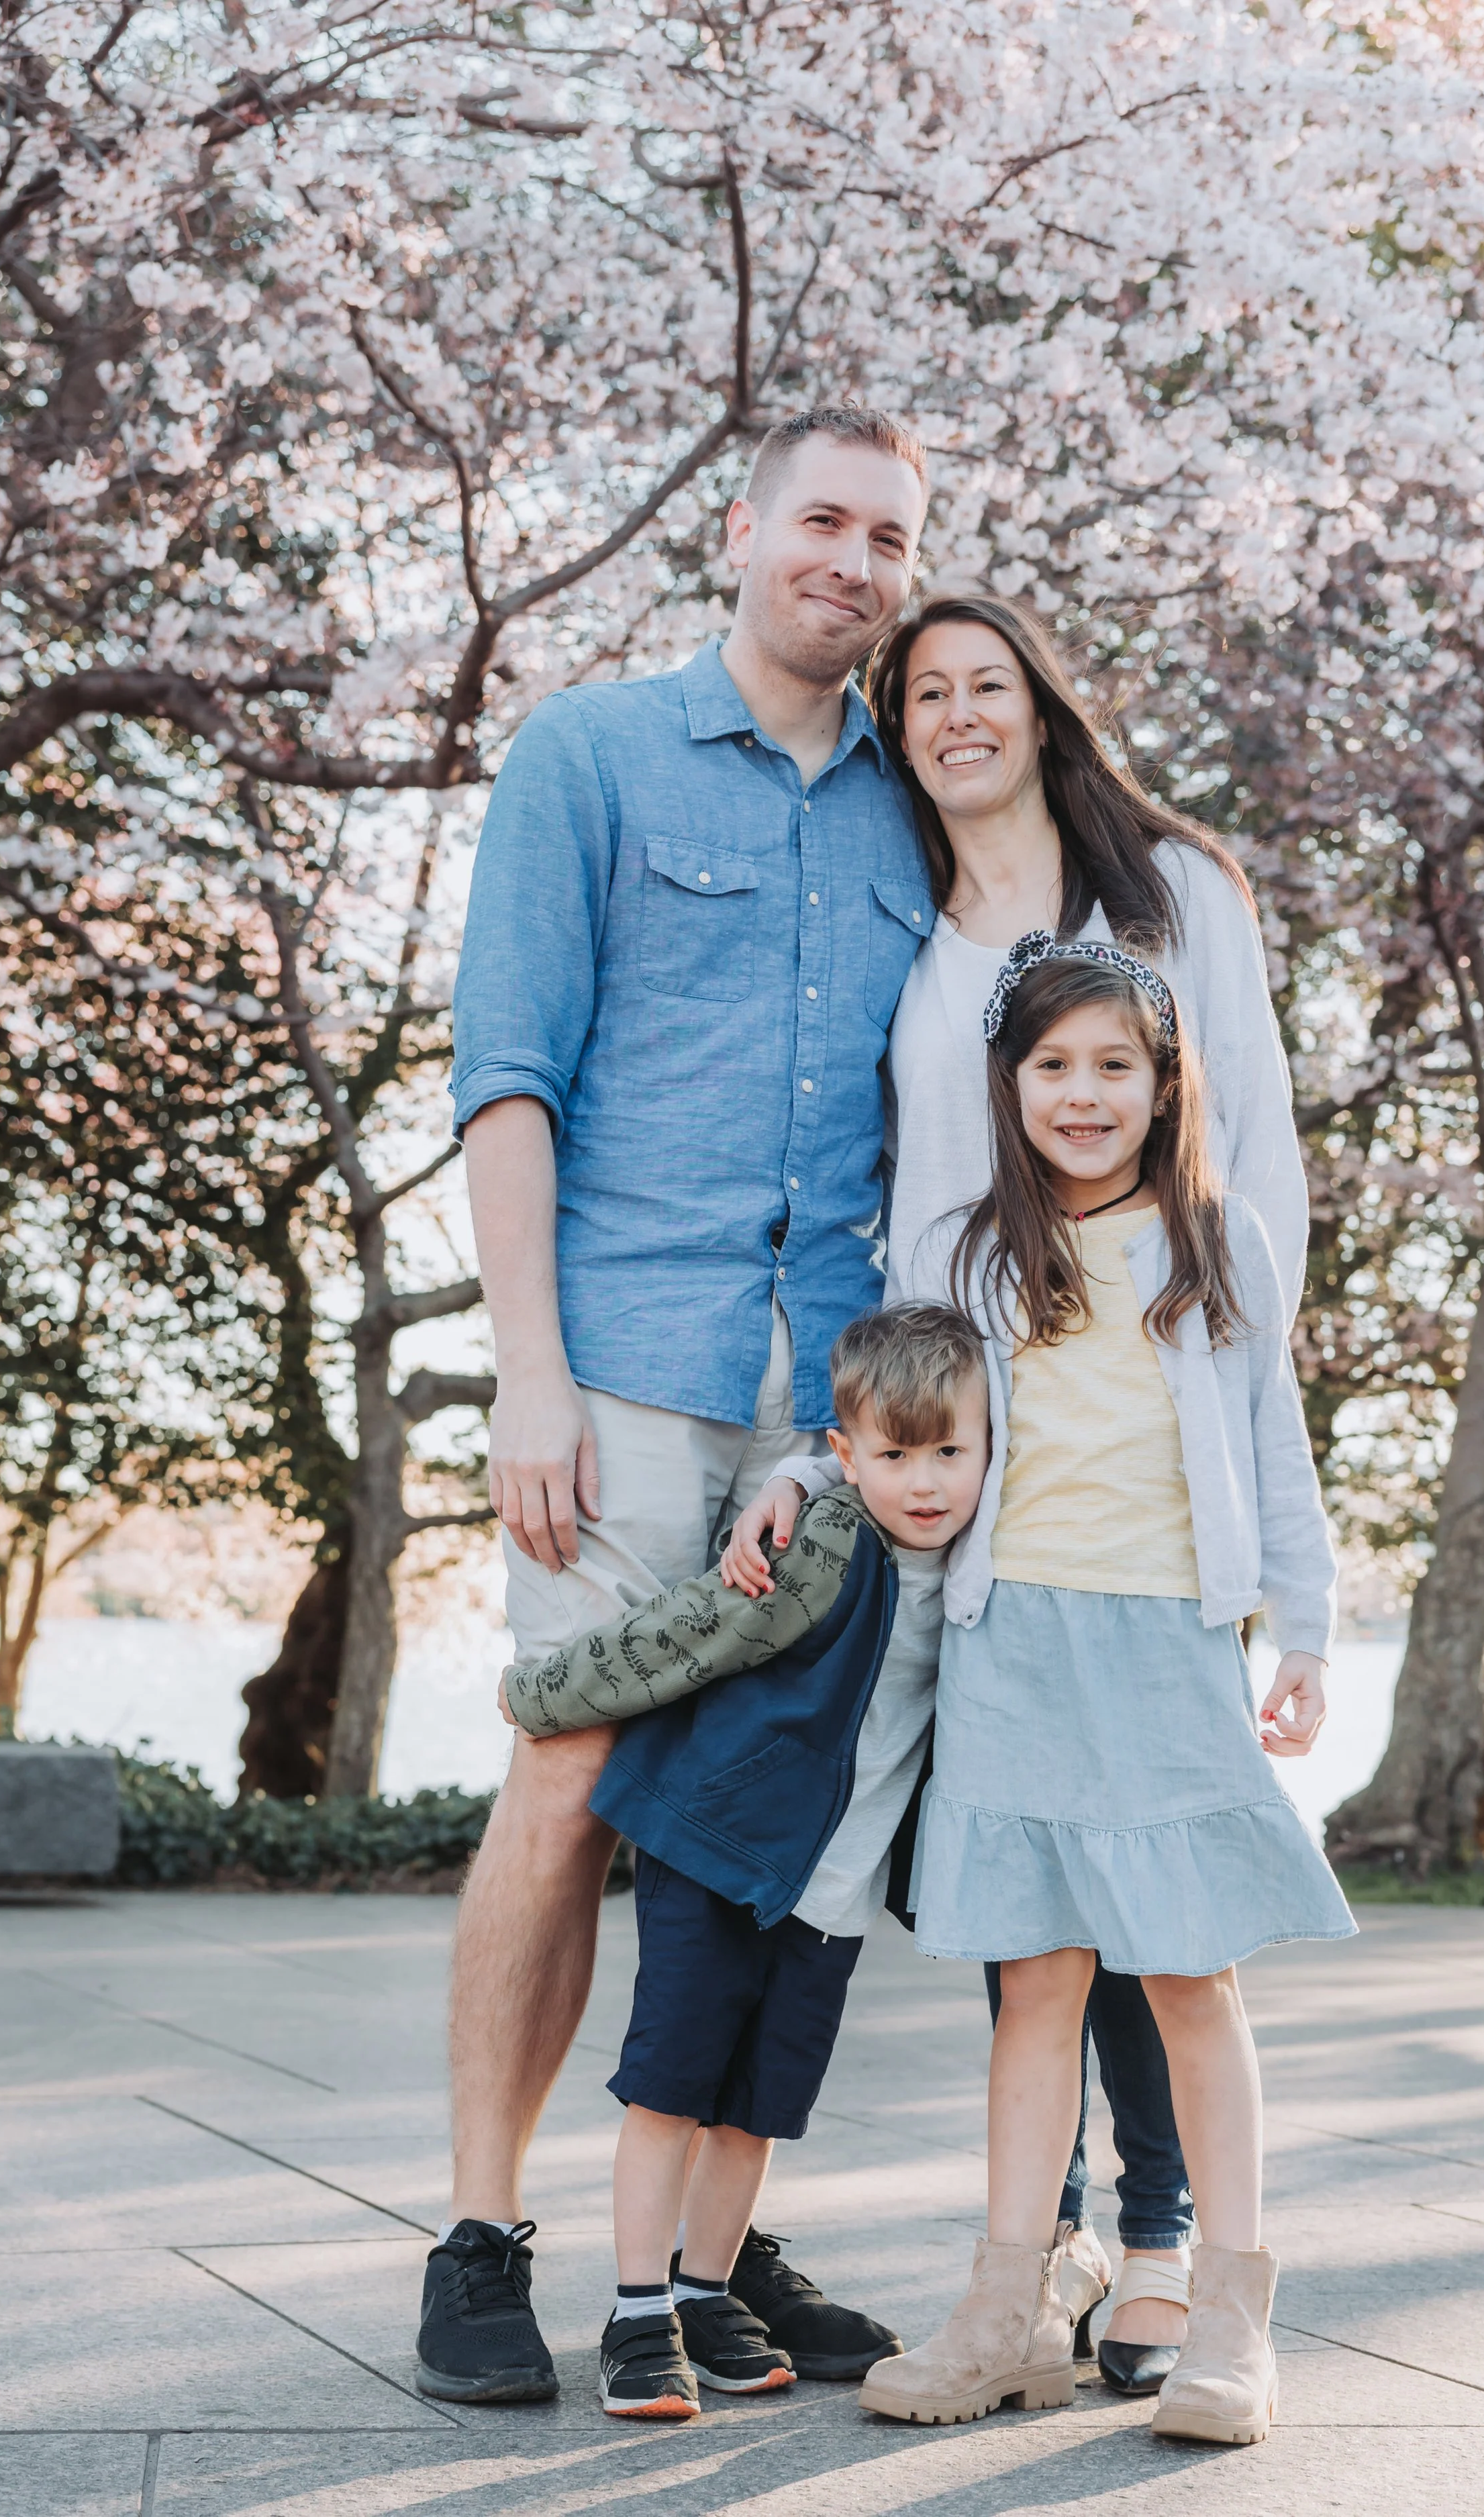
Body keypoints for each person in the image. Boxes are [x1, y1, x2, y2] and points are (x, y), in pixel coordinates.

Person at [723, 590, 1310, 2391]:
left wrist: (1278, 1574)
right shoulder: (908, 929)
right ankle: (1021, 2277)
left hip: (1161, 1537)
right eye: (927, 693)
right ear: (894, 727)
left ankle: (1178, 2263)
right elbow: (896, 1234)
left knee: (1173, 1939)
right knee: (1033, 1936)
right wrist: (835, 1444)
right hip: (991, 1517)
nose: (960, 715)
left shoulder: (1173, 896)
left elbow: (1255, 1199)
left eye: (991, 684)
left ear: (1044, 706)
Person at [420, 405, 936, 2404]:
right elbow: (508, 1074)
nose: (853, 563)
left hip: (827, 1408)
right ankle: (481, 2231)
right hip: (622, 1368)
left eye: (888, 538)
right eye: (824, 520)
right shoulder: (592, 755)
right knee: (567, 1772)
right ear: (741, 528)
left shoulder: (914, 809)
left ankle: (711, 2238)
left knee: (766, 1820)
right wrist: (527, 1371)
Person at [854, 940, 1354, 2447]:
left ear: (1163, 1085)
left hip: (1166, 1648)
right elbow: (897, 1427)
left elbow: (1272, 1445)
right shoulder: (963, 1253)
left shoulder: (1216, 1243)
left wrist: (1306, 1629)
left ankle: (1229, 2322)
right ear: (1008, 1084)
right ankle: (1004, 2315)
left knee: (1192, 1979)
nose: (1084, 1094)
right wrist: (804, 1487)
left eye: (1114, 1066)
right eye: (1054, 1065)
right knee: (1035, 1985)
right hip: (1009, 1645)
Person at [499, 1305, 1009, 2416]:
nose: (925, 1481)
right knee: (672, 2088)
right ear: (847, 1455)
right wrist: (539, 1694)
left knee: (757, 2110)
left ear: (989, 1447)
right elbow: (692, 1632)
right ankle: (638, 2311)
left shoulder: (990, 1566)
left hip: (829, 1895)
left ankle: (703, 2290)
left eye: (948, 1451)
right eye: (893, 1455)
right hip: (718, 1853)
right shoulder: (828, 1544)